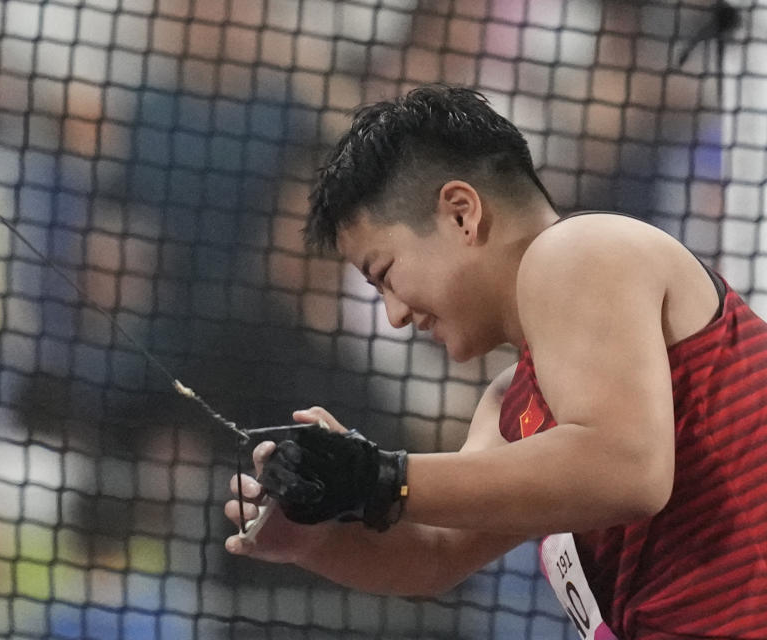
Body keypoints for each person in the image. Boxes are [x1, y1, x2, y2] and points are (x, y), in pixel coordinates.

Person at [222, 84, 767, 639]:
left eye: (385, 273)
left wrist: (378, 475)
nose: (393, 315)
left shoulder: (581, 249)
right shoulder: (512, 399)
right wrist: (319, 537)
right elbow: (436, 553)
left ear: (461, 213)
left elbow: (629, 469)